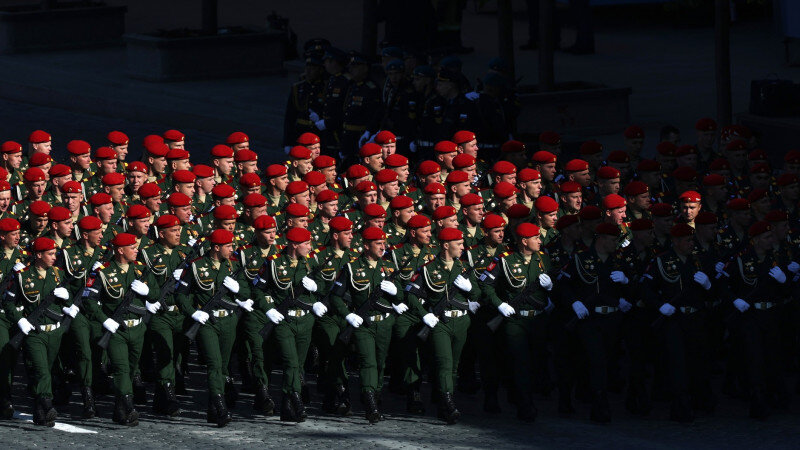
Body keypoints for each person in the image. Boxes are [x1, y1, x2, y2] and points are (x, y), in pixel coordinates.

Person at [176, 229, 249, 427]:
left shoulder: (233, 265)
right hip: (207, 322)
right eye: (228, 246)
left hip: (229, 321)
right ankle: (220, 405)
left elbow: (247, 291)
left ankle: (211, 409)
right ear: (216, 247)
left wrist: (238, 289)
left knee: (224, 366)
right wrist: (193, 312)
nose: (232, 250)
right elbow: (181, 294)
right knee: (214, 364)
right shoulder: (196, 266)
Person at [329, 227, 401, 423]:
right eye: (378, 244)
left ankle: (375, 396)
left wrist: (396, 292)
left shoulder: (388, 267)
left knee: (380, 362)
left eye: (383, 243)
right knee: (368, 362)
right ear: (366, 245)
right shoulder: (352, 268)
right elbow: (335, 297)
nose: (382, 247)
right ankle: (370, 403)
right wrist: (348, 315)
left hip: (384, 324)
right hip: (363, 325)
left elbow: (402, 297)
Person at [252, 227, 320, 422]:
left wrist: (316, 289)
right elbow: (258, 289)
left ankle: (286, 407)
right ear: (294, 245)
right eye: (306, 244)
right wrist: (269, 308)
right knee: (290, 363)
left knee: (298, 365)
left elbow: (326, 286)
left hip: (305, 320)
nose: (310, 247)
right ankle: (297, 401)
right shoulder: (274, 264)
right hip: (284, 321)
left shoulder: (310, 263)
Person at [4, 237, 71, 426]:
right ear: (39, 255)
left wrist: (67, 298)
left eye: (54, 254)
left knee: (45, 371)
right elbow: (9, 302)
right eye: (50, 254)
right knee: (42, 371)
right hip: (34, 333)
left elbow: (68, 299)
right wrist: (20, 320)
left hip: (54, 332)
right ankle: (47, 405)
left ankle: (39, 411)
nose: (54, 257)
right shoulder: (22, 276)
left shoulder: (57, 274)